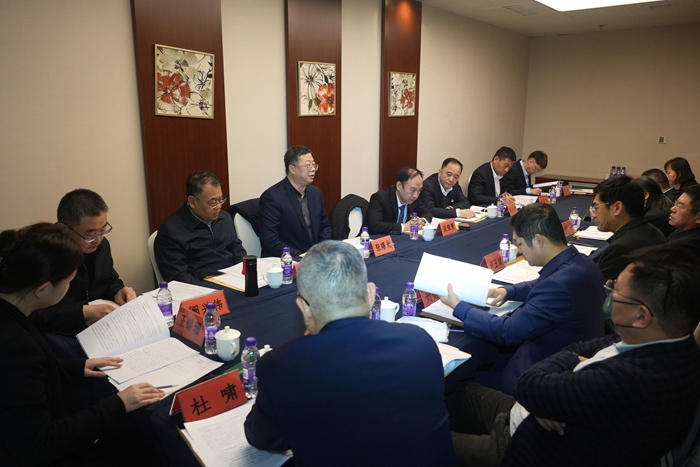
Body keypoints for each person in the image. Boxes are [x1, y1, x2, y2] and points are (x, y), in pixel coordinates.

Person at [446, 244, 700, 467]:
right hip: (528, 414)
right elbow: (575, 349)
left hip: (526, 446)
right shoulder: (662, 340)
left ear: (641, 316)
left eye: (616, 292)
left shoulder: (633, 380)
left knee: (426, 435)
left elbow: (529, 384)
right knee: (454, 391)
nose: (609, 295)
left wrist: (546, 395)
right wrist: (550, 395)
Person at [244, 241, 456, 466]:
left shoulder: (281, 365)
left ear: (304, 308)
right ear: (370, 293)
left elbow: (260, 438)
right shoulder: (420, 341)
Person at [0, 223, 164, 465]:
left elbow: (33, 378)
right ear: (43, 289)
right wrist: (118, 404)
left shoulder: (13, 314)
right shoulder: (15, 346)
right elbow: (37, 444)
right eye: (69, 281)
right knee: (149, 440)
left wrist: (77, 367)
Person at [440, 203, 605, 395]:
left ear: (538, 240)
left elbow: (507, 332)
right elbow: (542, 284)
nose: (519, 250)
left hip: (540, 377)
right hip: (565, 354)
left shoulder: (558, 286)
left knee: (453, 385)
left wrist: (460, 307)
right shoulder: (581, 262)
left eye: (519, 244)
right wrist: (507, 291)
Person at [30, 189, 136, 335]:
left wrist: (118, 291)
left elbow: (109, 279)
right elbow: (33, 315)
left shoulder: (101, 245)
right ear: (63, 229)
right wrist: (82, 312)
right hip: (58, 332)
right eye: (90, 235)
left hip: (97, 328)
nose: (98, 239)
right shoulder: (44, 256)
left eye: (103, 231)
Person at [154, 170, 246, 283]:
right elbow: (179, 277)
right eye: (213, 203)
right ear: (192, 201)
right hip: (203, 287)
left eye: (220, 200)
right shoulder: (170, 231)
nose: (219, 206)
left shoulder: (224, 218)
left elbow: (238, 251)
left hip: (234, 281)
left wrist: (242, 275)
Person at [588, 175, 667, 280]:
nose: (593, 214)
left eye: (596, 207)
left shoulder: (620, 249)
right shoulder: (652, 230)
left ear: (617, 208)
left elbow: (596, 286)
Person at [259, 145, 332, 257]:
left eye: (314, 165)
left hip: (316, 258)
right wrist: (303, 257)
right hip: (287, 260)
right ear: (292, 169)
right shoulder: (272, 197)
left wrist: (320, 250)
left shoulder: (316, 193)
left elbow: (325, 227)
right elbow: (270, 241)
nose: (312, 169)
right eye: (307, 165)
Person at [365, 166, 433, 235]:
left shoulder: (413, 199)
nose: (416, 195)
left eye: (419, 190)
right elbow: (376, 226)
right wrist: (404, 227)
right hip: (374, 239)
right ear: (399, 186)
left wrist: (421, 221)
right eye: (413, 190)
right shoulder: (380, 198)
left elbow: (427, 213)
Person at [668, 185, 700, 257]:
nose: (672, 209)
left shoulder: (687, 246)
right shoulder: (682, 229)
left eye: (680, 206)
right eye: (676, 203)